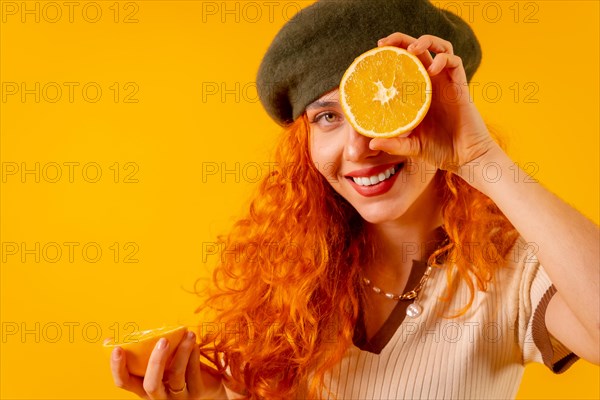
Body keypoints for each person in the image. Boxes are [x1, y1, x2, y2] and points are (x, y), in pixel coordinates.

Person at [109, 0, 599, 398]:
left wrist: (479, 158)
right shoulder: (286, 270)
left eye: (384, 107)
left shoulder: (510, 270)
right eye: (327, 117)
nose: (358, 148)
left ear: (437, 108)